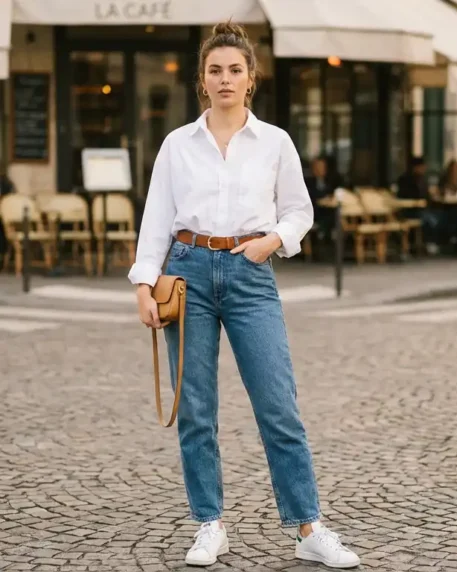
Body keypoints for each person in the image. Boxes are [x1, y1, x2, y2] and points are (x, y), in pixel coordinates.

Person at [129, 22, 359, 569]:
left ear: (251, 79)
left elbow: (300, 210)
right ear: (201, 81)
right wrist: (144, 281)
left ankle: (308, 527)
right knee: (196, 409)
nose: (225, 79)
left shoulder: (275, 142)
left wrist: (273, 242)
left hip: (250, 273)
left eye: (235, 70)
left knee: (279, 404)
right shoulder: (176, 145)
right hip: (186, 273)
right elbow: (156, 216)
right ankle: (210, 524)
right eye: (215, 70)